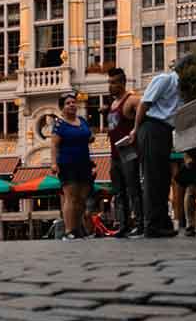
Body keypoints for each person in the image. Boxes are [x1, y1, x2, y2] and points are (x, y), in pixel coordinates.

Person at [128, 60, 186, 238]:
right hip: (151, 127)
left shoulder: (183, 89)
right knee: (153, 177)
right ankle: (152, 225)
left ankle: (162, 222)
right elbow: (144, 105)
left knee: (163, 178)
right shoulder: (165, 79)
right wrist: (136, 130)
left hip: (165, 131)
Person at [105, 67, 144, 238]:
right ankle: (123, 225)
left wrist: (135, 129)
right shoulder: (112, 104)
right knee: (118, 192)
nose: (110, 86)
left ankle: (141, 223)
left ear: (122, 83)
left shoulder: (131, 99)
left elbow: (143, 104)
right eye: (109, 82)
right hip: (114, 154)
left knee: (133, 188)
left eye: (113, 83)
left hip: (128, 151)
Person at [51, 92, 95, 241]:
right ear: (62, 107)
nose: (72, 105)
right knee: (70, 197)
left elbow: (89, 136)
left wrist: (90, 137)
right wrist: (54, 163)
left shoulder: (82, 121)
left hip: (84, 162)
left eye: (73, 102)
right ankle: (69, 230)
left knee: (82, 198)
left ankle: (77, 228)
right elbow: (54, 145)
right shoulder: (59, 124)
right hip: (67, 163)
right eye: (68, 103)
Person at [175, 153, 196, 237]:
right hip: (195, 161)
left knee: (191, 190)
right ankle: (190, 225)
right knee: (191, 190)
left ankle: (190, 225)